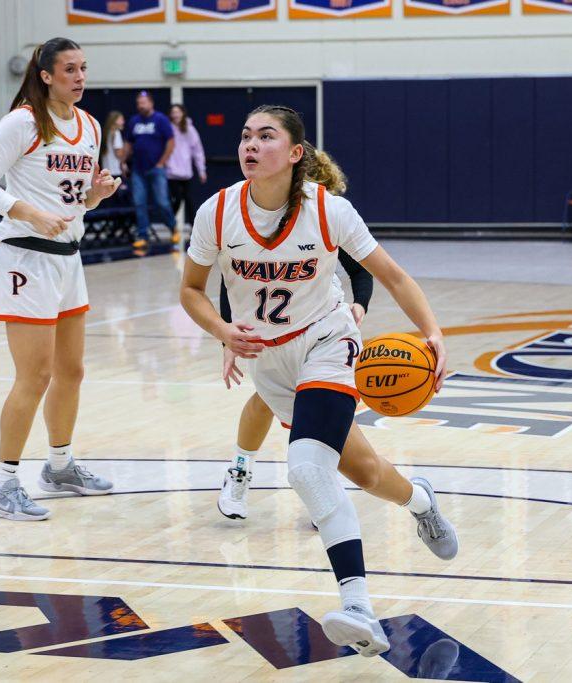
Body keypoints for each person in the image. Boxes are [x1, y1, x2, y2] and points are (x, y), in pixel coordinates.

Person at [181, 104, 455, 657]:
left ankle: (358, 607)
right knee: (365, 470)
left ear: (295, 153)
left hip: (327, 341)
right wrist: (222, 333)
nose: (250, 145)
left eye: (265, 136)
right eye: (245, 136)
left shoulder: (329, 211)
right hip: (268, 359)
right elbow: (191, 290)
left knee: (306, 469)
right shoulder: (216, 212)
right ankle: (421, 501)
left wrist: (431, 332)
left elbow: (392, 275)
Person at [0, 37, 122, 522]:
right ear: (46, 75)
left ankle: (59, 466)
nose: (80, 77)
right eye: (70, 69)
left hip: (69, 258)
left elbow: (75, 202)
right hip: (26, 259)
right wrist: (28, 212)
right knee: (33, 376)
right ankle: (2, 484)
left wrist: (94, 196)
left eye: (83, 68)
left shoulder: (91, 125)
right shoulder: (23, 122)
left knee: (71, 372)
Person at [125, 90, 177, 254]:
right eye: (138, 103)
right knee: (139, 203)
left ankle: (173, 227)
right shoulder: (134, 121)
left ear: (151, 103)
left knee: (162, 202)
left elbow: (170, 142)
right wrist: (123, 161)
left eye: (143, 102)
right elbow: (129, 143)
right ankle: (143, 236)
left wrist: (162, 162)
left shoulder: (160, 119)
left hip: (156, 169)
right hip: (138, 169)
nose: (141, 105)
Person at [166, 104, 207, 235]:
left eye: (178, 112)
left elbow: (198, 151)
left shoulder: (190, 130)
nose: (176, 115)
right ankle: (170, 223)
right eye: (173, 112)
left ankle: (193, 228)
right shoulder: (167, 129)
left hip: (186, 173)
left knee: (189, 200)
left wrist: (201, 170)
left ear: (183, 113)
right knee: (177, 199)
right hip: (171, 173)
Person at [101, 110, 128, 183]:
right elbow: (118, 153)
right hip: (115, 169)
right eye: (121, 119)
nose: (123, 122)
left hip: (106, 169)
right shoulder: (116, 133)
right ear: (115, 120)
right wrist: (125, 152)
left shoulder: (106, 133)